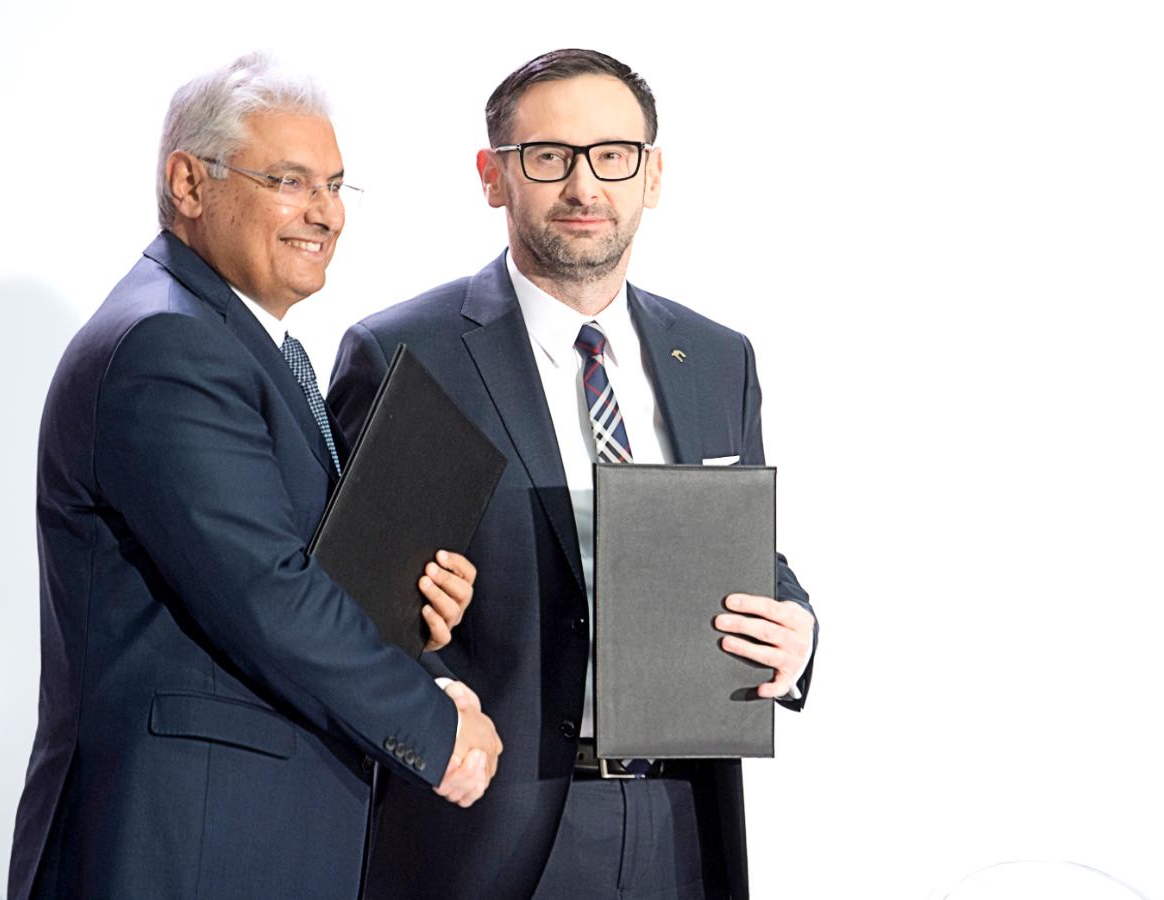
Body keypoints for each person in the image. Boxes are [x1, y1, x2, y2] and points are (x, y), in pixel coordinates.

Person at [7, 53, 501, 900]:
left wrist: (409, 618)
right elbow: (265, 594)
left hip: (240, 836)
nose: (326, 212)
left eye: (335, 186)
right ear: (188, 184)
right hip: (181, 846)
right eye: (289, 181)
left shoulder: (236, 344)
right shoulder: (169, 346)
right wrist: (432, 724)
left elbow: (297, 569)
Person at [328, 49, 818, 900]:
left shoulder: (716, 358)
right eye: (549, 157)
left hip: (680, 821)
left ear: (652, 174)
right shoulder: (410, 352)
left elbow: (746, 555)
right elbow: (343, 609)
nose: (584, 186)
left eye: (613, 155)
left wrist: (799, 631)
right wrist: (431, 693)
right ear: (493, 176)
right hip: (484, 829)